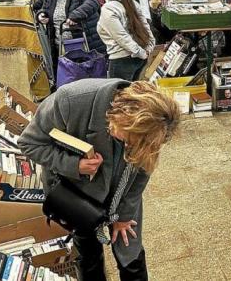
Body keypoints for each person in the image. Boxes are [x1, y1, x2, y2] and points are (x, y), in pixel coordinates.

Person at [18, 78, 180, 281]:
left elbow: (143, 170)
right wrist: (74, 165)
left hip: (123, 192)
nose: (129, 146)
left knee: (131, 254)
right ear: (122, 115)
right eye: (127, 138)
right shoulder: (70, 100)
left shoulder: (155, 127)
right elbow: (29, 143)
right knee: (88, 254)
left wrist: (124, 215)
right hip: (77, 194)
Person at [34, 0, 104, 76]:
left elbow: (92, 1)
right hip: (60, 46)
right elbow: (45, 8)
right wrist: (42, 15)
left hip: (85, 44)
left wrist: (75, 15)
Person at [95, 0, 155, 81]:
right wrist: (148, 48)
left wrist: (141, 53)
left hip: (121, 61)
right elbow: (146, 26)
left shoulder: (108, 9)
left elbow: (121, 37)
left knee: (121, 97)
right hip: (139, 59)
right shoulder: (131, 2)